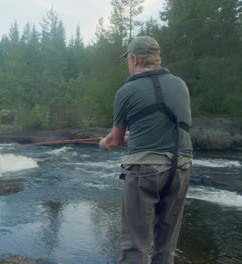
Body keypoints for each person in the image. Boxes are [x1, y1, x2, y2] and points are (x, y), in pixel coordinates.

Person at [99, 36, 192, 264]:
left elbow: (116, 140)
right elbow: (175, 126)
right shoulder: (180, 84)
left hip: (144, 169)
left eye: (127, 60)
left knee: (135, 246)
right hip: (181, 167)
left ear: (133, 58)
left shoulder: (126, 90)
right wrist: (138, 133)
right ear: (156, 58)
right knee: (166, 247)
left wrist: (104, 142)